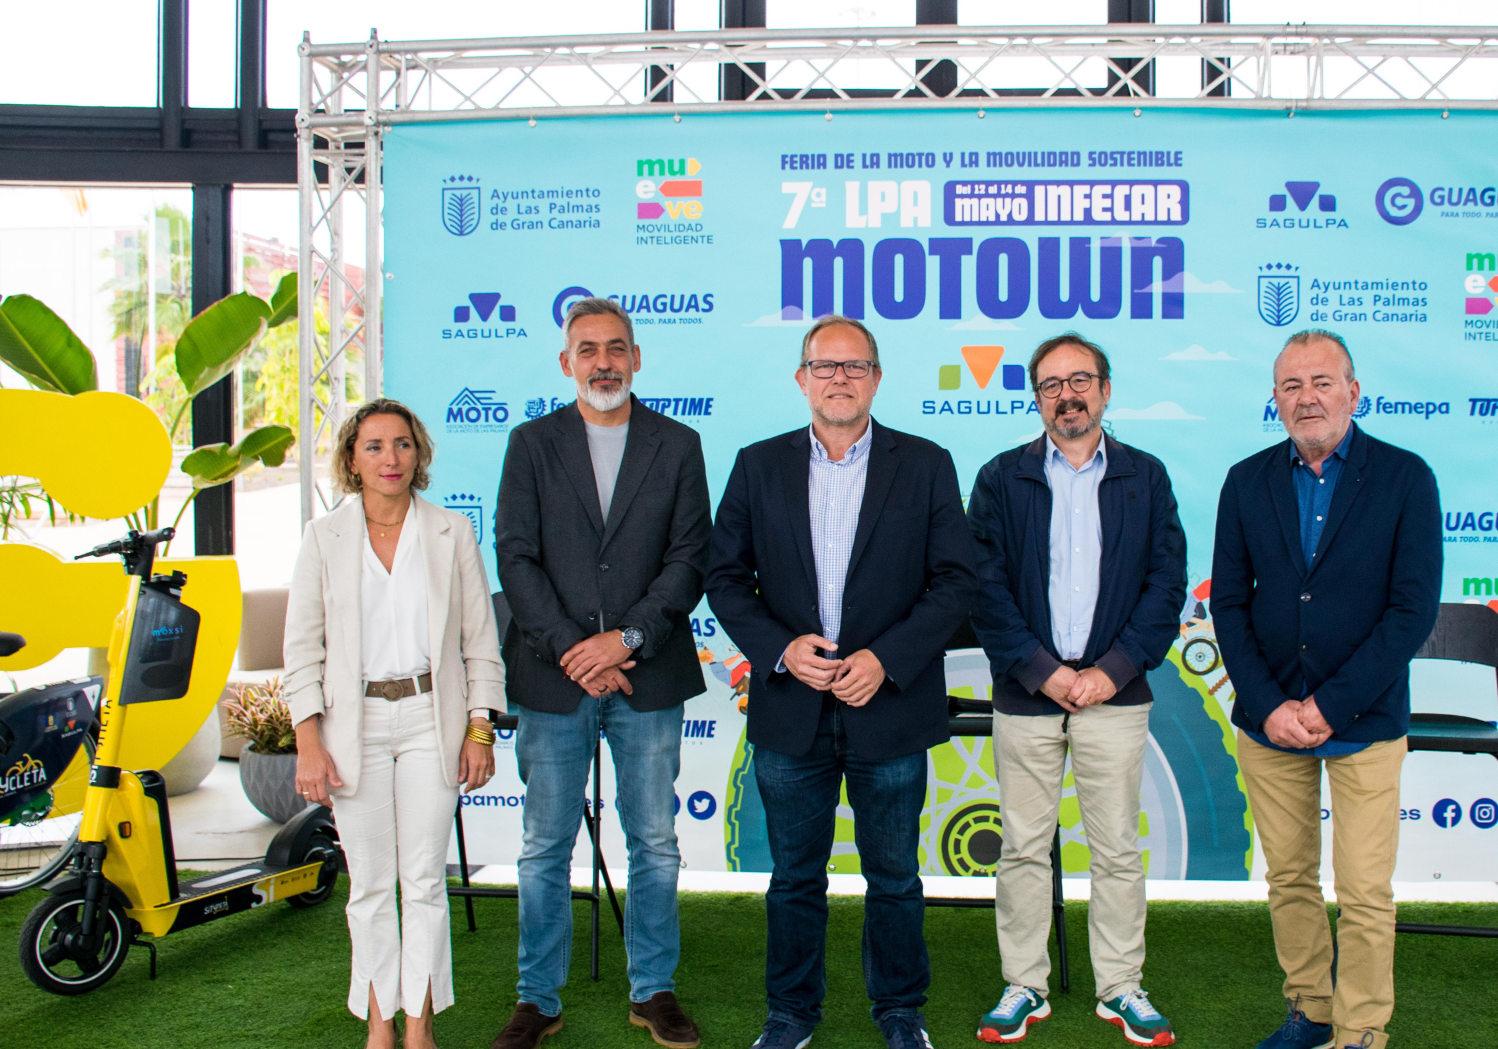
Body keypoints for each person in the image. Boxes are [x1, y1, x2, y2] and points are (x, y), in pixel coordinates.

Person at [706, 314, 977, 1049]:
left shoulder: (924, 464)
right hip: (792, 709)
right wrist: (779, 649)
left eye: (854, 366)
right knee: (795, 878)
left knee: (894, 878)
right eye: (825, 367)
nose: (839, 378)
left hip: (887, 708)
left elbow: (956, 582)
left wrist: (886, 659)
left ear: (877, 378)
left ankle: (900, 1013)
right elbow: (724, 578)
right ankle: (791, 1016)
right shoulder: (757, 465)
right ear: (802, 379)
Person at [1209, 330, 1441, 1049]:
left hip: (1365, 718)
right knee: (1290, 880)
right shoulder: (1246, 481)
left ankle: (1362, 1030)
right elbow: (1229, 603)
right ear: (1274, 400)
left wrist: (1328, 706)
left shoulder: (1406, 478)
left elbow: (1412, 611)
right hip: (1268, 719)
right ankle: (1311, 1010)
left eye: (1321, 382)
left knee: (1366, 893)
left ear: (1353, 392)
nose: (1306, 398)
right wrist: (1273, 704)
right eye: (1290, 386)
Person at [492, 297, 712, 1049]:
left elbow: (689, 561)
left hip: (646, 675)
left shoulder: (678, 445)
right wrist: (574, 652)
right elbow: (515, 558)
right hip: (555, 679)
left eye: (616, 347)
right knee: (544, 844)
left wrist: (626, 640)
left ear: (637, 357)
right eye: (587, 350)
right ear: (566, 363)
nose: (603, 362)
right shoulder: (531, 443)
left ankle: (653, 991)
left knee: (653, 840)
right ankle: (537, 998)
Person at [966, 333, 1187, 1047]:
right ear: (1036, 398)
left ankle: (1121, 986)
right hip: (1029, 692)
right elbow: (984, 587)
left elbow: (1166, 585)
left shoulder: (1145, 477)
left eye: (1081, 379)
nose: (1069, 394)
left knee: (1117, 846)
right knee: (1024, 846)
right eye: (1052, 384)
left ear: (1106, 388)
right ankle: (1023, 984)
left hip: (1114, 694)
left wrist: (1109, 670)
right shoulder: (1001, 477)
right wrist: (1043, 671)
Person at [284, 398, 506, 1049]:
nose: (391, 458)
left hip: (429, 719)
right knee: (371, 886)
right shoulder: (323, 538)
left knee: (425, 882)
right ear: (352, 459)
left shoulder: (451, 532)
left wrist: (479, 729)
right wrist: (308, 742)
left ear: (420, 454)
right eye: (375, 446)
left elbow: (480, 642)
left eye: (403, 444)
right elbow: (302, 647)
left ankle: (420, 1027)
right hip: (352, 725)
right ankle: (379, 1026)